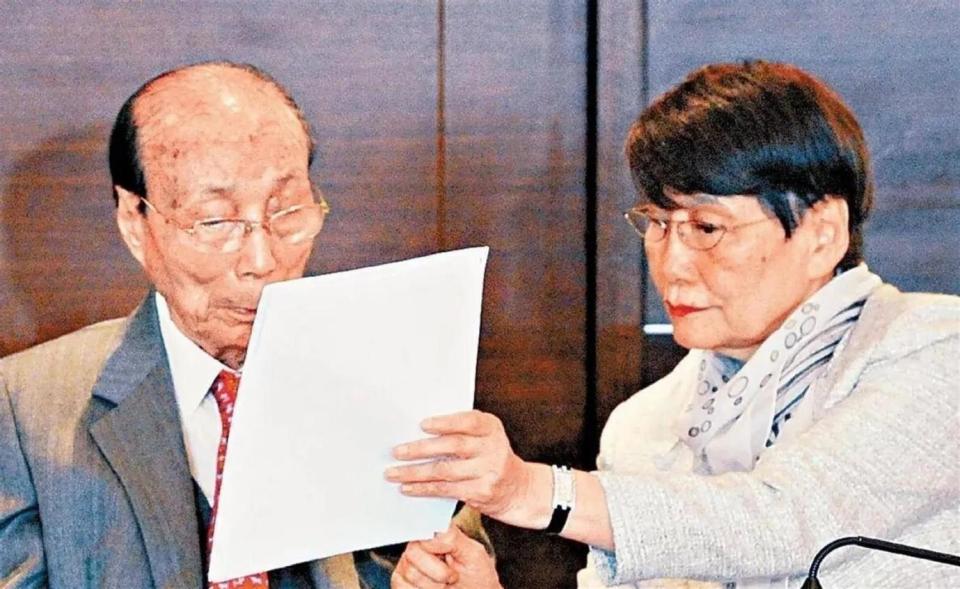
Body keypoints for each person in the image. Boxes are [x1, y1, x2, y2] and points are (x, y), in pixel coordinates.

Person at [386, 61, 959, 588]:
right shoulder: (645, 426)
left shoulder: (935, 347)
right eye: (659, 224)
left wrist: (529, 491)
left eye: (707, 228)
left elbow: (788, 519)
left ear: (822, 233)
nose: (672, 263)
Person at [0, 61, 484, 589]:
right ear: (135, 221)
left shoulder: (391, 377)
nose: (261, 260)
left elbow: (454, 559)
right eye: (216, 221)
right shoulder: (25, 410)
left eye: (287, 211)